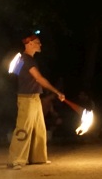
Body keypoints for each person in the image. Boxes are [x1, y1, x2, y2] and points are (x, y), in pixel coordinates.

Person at [8, 34, 65, 169]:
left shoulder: (25, 59)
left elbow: (17, 76)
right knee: (23, 129)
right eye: (37, 42)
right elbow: (38, 78)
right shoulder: (27, 60)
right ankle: (16, 159)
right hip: (26, 98)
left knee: (39, 128)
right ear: (29, 44)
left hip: (34, 97)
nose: (40, 45)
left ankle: (38, 158)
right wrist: (56, 92)